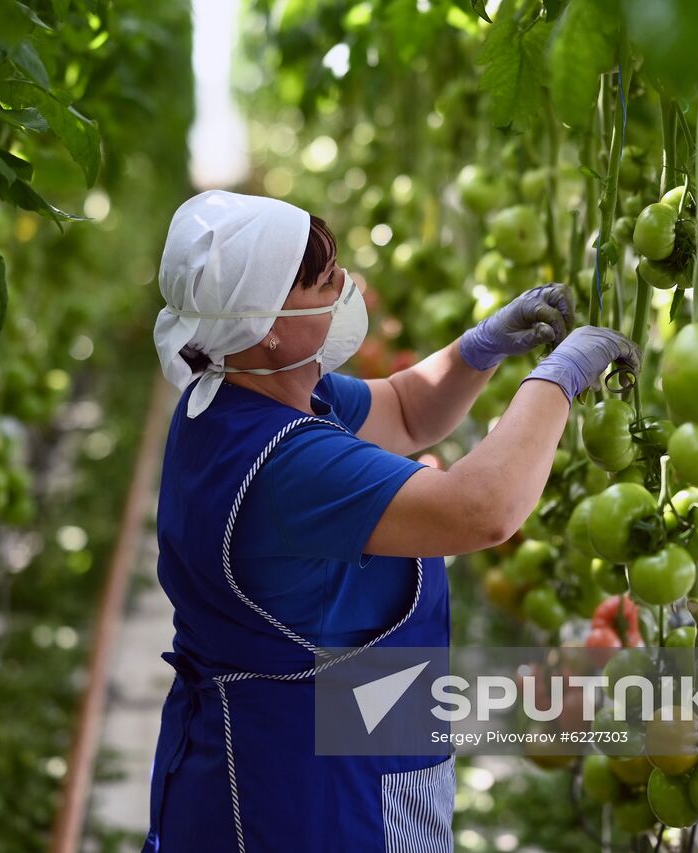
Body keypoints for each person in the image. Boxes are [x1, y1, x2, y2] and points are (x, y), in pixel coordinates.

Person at [144, 190, 639, 852]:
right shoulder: (288, 465)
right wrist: (557, 379)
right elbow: (483, 509)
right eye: (324, 282)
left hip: (296, 739)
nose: (347, 286)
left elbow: (407, 413)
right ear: (266, 324)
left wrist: (479, 349)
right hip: (309, 791)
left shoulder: (245, 394)